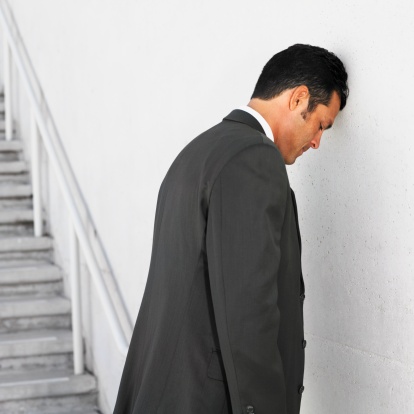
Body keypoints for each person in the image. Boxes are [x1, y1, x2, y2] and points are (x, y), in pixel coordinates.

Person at [113, 43, 349, 414]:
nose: (317, 142)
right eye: (321, 125)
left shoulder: (196, 152)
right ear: (299, 98)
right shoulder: (254, 159)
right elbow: (250, 316)